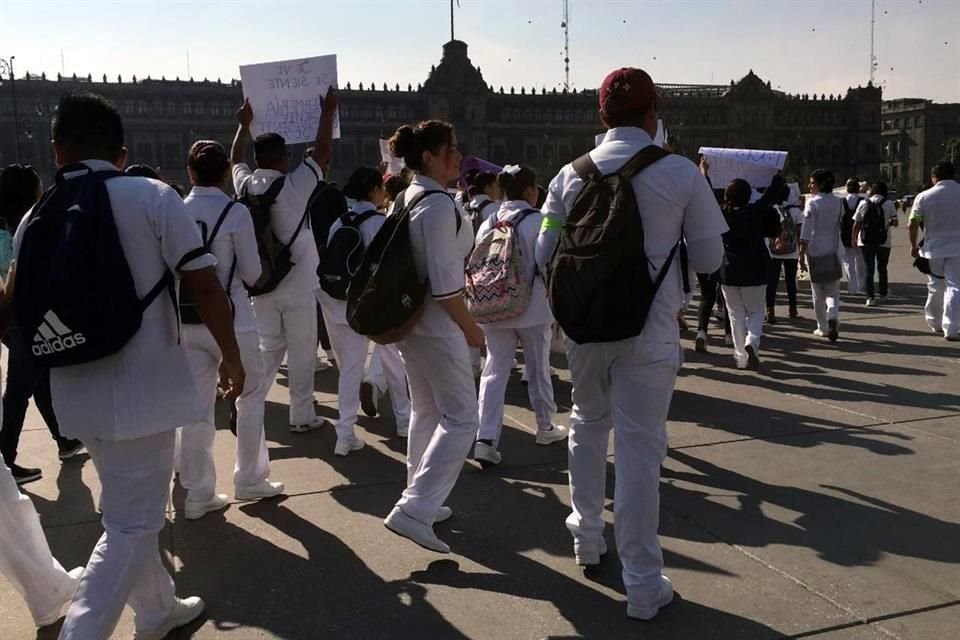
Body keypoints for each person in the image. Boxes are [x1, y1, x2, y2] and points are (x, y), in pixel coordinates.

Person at [4, 92, 244, 639]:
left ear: (57, 150)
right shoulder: (153, 196)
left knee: (127, 508)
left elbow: (15, 309)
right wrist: (231, 357)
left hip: (72, 389)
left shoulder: (34, 217)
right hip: (145, 389)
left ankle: (157, 610)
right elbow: (205, 286)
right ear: (121, 152)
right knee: (132, 525)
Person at [536, 67, 726, 620]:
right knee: (641, 450)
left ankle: (585, 536)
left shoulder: (568, 175)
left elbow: (544, 248)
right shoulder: (680, 172)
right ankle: (642, 582)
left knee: (586, 424)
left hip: (584, 328)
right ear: (653, 112)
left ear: (602, 116)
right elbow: (711, 259)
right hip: (650, 329)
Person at [381, 120, 484, 554]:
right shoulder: (439, 204)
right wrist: (471, 328)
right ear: (428, 157)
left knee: (425, 411)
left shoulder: (407, 196)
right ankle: (416, 508)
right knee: (462, 418)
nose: (458, 156)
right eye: (451, 149)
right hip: (439, 325)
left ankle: (418, 494)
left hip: (411, 324)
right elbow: (446, 286)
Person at [178, 140, 284, 518]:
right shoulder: (235, 213)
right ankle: (250, 477)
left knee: (197, 408)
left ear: (190, 172)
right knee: (250, 395)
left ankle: (198, 492)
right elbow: (253, 273)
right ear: (226, 173)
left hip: (189, 320)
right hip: (234, 319)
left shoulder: (177, 210)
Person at [230, 89, 337, 434]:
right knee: (302, 351)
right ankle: (301, 415)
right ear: (284, 158)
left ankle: (249, 403)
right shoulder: (293, 187)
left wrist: (242, 126)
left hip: (260, 283)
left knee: (268, 348)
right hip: (298, 282)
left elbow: (234, 160)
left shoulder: (245, 186)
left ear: (257, 157)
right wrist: (327, 114)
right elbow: (321, 154)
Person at [473, 165, 566, 467]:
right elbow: (546, 260)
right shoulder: (539, 220)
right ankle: (545, 426)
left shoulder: (489, 221)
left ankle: (486, 437)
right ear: (529, 190)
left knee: (494, 371)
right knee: (538, 369)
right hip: (532, 308)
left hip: (494, 307)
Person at [318, 167, 411, 455]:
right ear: (373, 190)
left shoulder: (340, 222)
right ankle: (402, 421)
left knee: (349, 367)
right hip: (370, 305)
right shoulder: (379, 223)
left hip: (335, 301)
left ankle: (347, 432)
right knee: (391, 360)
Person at [0, 165, 84, 484]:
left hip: (13, 317)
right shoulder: (26, 225)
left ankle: (64, 439)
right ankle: (6, 459)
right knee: (20, 388)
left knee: (40, 380)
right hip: (23, 316)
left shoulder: (8, 228)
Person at [717, 177, 783, 369]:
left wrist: (705, 174)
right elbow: (769, 196)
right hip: (755, 268)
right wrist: (777, 176)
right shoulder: (754, 212)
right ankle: (752, 342)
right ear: (748, 196)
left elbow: (708, 195)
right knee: (756, 311)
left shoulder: (721, 213)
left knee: (735, 314)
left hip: (729, 269)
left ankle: (740, 357)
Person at [909, 162, 960, 340]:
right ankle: (951, 327)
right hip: (957, 248)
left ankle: (934, 321)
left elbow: (913, 223)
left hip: (934, 249)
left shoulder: (923, 197)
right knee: (954, 286)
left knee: (936, 286)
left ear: (933, 177)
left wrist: (913, 245)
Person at [799, 169, 844, 342]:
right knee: (833, 290)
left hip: (815, 250)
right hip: (834, 250)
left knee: (818, 293)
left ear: (820, 184)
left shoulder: (812, 203)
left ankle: (822, 327)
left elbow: (806, 231)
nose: (809, 186)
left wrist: (801, 254)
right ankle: (832, 315)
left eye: (812, 183)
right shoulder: (839, 202)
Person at [852, 182, 899, 307]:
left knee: (869, 268)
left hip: (865, 241)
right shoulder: (888, 203)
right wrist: (888, 222)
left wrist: (854, 239)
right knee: (882, 268)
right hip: (884, 241)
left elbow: (857, 223)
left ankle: (870, 297)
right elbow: (895, 222)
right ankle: (883, 293)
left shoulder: (863, 203)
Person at [765, 184, 803, 322]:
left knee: (772, 281)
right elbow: (799, 232)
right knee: (791, 280)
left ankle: (770, 310)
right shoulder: (796, 211)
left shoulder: (771, 209)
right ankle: (793, 308)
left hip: (773, 252)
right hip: (792, 252)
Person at [840, 177, 866, 295]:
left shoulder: (842, 201)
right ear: (858, 188)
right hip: (860, 234)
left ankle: (852, 287)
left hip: (845, 234)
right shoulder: (863, 201)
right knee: (860, 261)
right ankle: (862, 285)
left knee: (848, 261)